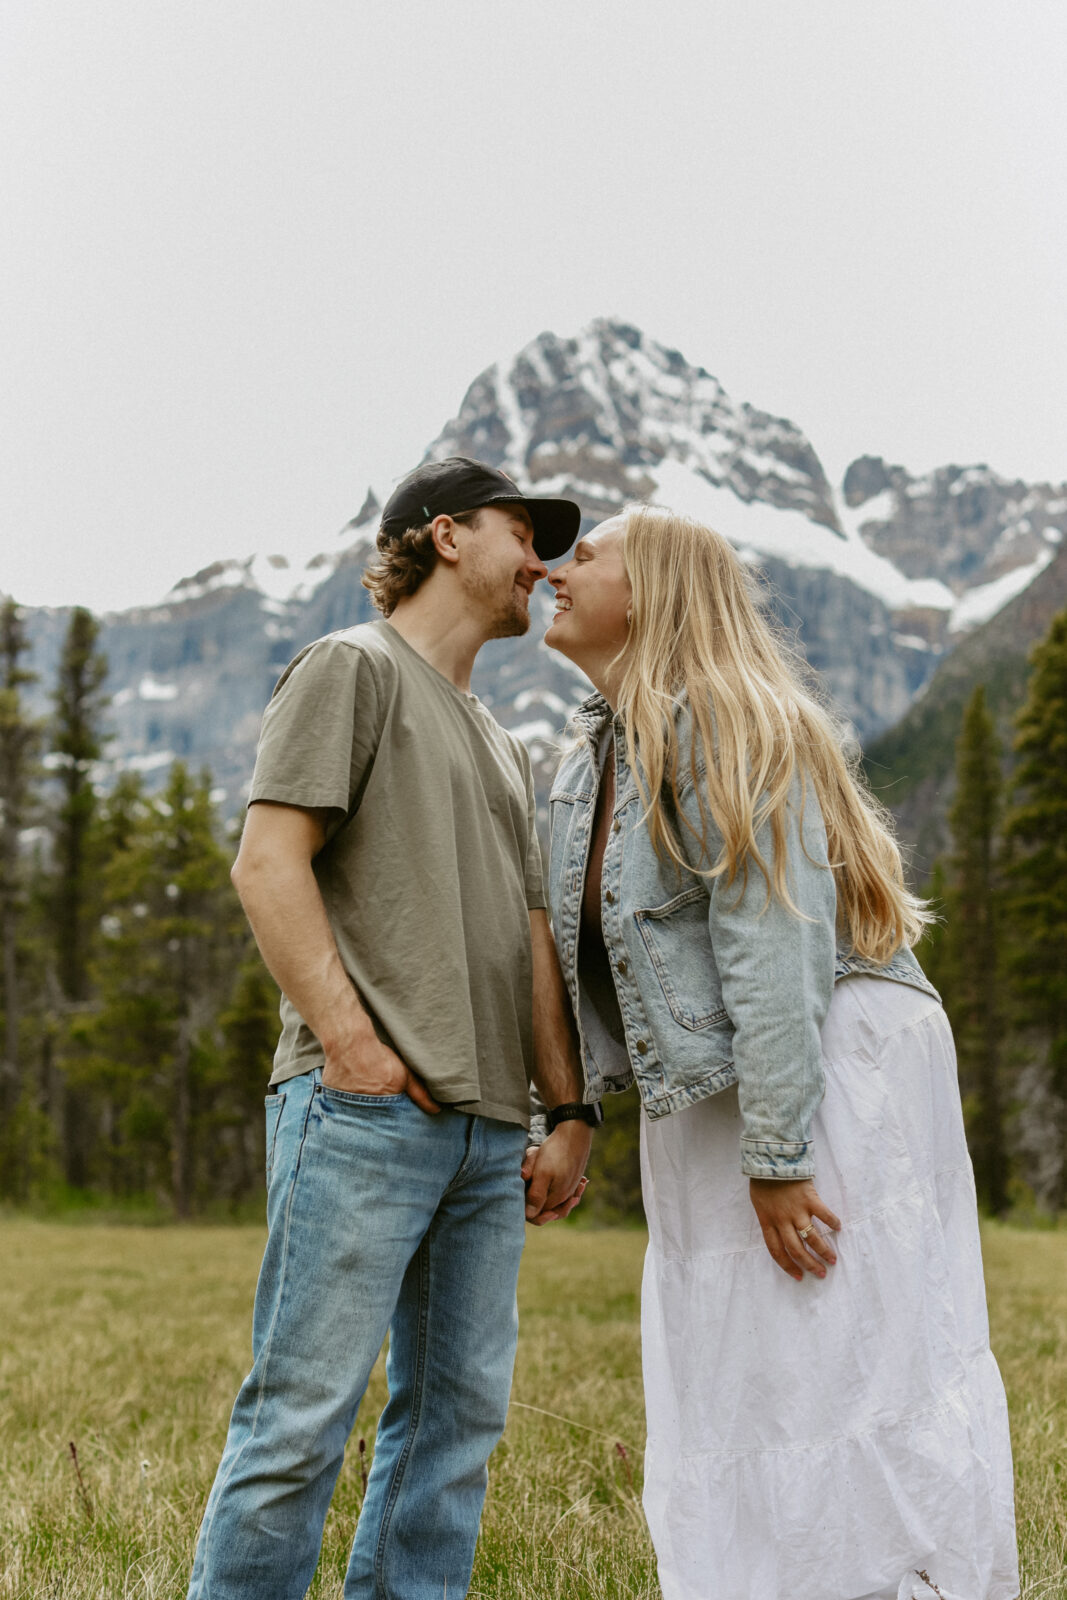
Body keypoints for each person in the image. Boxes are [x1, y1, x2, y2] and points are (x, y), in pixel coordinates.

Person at [527, 502, 1019, 1600]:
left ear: (649, 590)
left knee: (839, 1343)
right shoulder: (586, 760)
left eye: (586, 555)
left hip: (823, 1059)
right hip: (720, 1083)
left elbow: (772, 937)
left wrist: (778, 1152)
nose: (558, 570)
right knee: (740, 1355)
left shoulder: (723, 716)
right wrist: (564, 1114)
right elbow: (559, 954)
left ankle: (896, 1576)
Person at [186, 457, 597, 1600]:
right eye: (525, 531)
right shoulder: (349, 668)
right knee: (300, 1421)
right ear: (446, 535)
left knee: (453, 1432)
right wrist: (352, 1046)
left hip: (481, 1138)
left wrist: (562, 1108)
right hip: (362, 1111)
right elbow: (268, 864)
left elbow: (527, 943)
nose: (543, 560)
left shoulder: (501, 743)